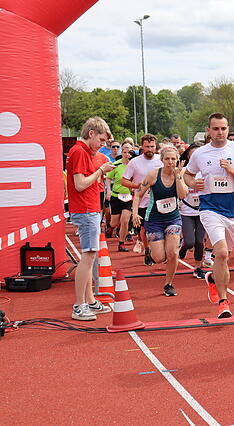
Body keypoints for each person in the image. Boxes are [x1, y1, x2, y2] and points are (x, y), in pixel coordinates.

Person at [184, 113, 234, 319]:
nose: (220, 132)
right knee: (221, 253)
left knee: (226, 255)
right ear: (208, 130)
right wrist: (191, 183)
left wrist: (231, 171)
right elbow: (187, 174)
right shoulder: (200, 154)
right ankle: (224, 301)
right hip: (209, 207)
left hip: (233, 209)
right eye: (215, 129)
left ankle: (213, 278)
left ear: (228, 129)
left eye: (223, 128)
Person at [66, 117, 115, 321]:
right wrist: (100, 171)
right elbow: (79, 184)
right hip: (85, 209)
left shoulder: (85, 152)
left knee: (90, 257)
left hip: (90, 208)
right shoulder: (79, 152)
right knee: (87, 257)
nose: (102, 145)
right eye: (101, 140)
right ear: (91, 133)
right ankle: (79, 305)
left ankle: (90, 300)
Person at [131, 146, 188, 296]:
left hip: (173, 218)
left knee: (173, 253)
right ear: (162, 160)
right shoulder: (153, 175)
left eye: (173, 159)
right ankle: (151, 249)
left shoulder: (180, 173)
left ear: (177, 160)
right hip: (154, 220)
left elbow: (182, 195)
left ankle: (168, 284)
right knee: (159, 258)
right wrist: (135, 213)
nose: (170, 162)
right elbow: (138, 194)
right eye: (167, 159)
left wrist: (179, 177)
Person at [122, 134, 162, 265]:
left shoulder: (161, 160)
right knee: (144, 229)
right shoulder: (135, 162)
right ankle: (147, 250)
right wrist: (138, 186)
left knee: (160, 227)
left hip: (159, 200)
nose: (150, 149)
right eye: (147, 147)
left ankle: (161, 250)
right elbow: (124, 181)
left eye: (152, 146)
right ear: (142, 147)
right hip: (142, 201)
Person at [178, 143, 207, 279]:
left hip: (202, 210)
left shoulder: (207, 170)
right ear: (189, 155)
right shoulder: (183, 171)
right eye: (192, 154)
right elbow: (179, 191)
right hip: (187, 210)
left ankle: (197, 267)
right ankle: (183, 247)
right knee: (190, 241)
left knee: (200, 242)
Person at [106, 141, 135, 252]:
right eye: (125, 152)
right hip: (116, 196)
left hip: (128, 197)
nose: (127, 155)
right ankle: (111, 227)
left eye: (129, 152)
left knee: (125, 220)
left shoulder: (134, 165)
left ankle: (121, 243)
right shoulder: (116, 164)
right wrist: (108, 191)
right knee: (114, 222)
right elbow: (108, 178)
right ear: (121, 152)